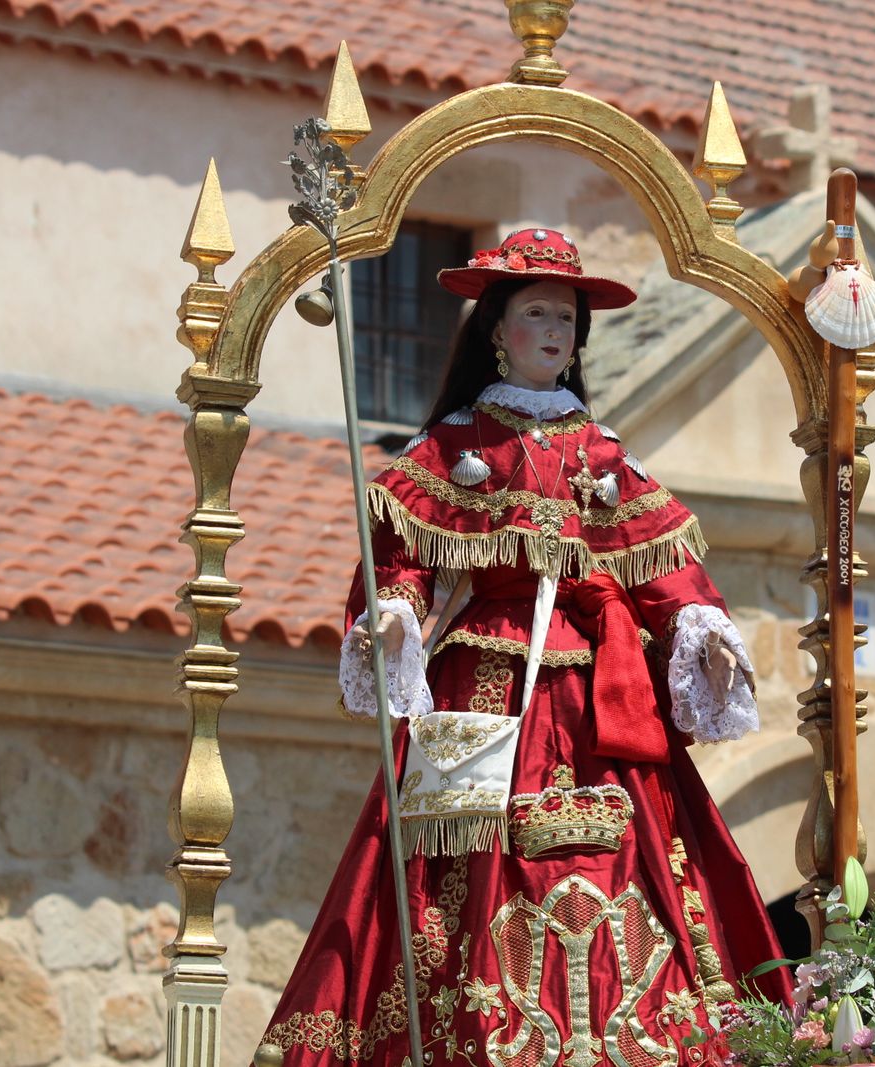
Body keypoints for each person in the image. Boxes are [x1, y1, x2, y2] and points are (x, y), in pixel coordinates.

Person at [259, 228, 791, 1066]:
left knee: (641, 858)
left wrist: (699, 626)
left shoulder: (604, 452)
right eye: (537, 313)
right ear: (497, 330)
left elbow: (668, 571)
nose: (556, 331)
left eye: (568, 318)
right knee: (460, 867)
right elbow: (400, 557)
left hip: (598, 705)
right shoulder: (453, 448)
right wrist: (396, 610)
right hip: (486, 682)